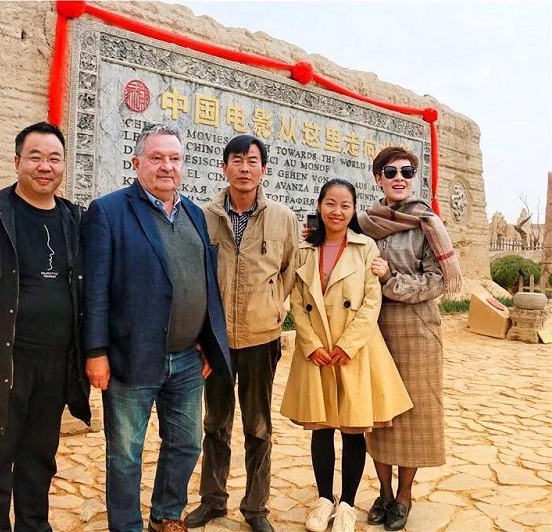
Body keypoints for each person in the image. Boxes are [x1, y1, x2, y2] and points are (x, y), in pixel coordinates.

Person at [81, 123, 232, 532]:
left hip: (186, 360)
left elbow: (205, 283)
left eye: (174, 158)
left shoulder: (195, 214)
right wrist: (96, 352)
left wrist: (207, 342)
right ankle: (126, 526)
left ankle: (166, 514)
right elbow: (95, 289)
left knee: (186, 443)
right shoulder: (108, 212)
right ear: (136, 163)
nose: (167, 166)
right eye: (157, 158)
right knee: (125, 453)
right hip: (131, 357)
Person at [0, 122, 91, 531]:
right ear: (17, 162)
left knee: (39, 459)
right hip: (3, 363)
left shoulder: (74, 219)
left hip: (56, 365)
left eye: (54, 158)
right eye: (35, 157)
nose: (45, 166)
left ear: (63, 165)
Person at [280, 179, 413, 532]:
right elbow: (297, 300)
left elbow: (371, 300)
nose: (337, 211)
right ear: (319, 205)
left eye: (345, 205)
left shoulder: (365, 247)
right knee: (321, 428)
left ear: (353, 210)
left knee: (353, 429)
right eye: (330, 203)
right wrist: (311, 344)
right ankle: (324, 499)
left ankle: (347, 505)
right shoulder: (304, 249)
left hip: (353, 351)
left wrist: (347, 345)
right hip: (317, 351)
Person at [185, 135, 298, 532]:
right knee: (215, 424)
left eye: (252, 160)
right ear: (224, 167)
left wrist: (273, 306)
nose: (244, 168)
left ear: (263, 169)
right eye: (237, 160)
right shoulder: (204, 216)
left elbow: (290, 270)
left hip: (261, 339)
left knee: (258, 426)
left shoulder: (282, 218)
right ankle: (213, 500)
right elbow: (196, 274)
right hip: (215, 340)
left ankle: (255, 508)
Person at [361, 147, 461, 531]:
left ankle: (404, 495)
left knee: (414, 415)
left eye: (406, 171)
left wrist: (390, 279)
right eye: (390, 172)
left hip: (418, 330)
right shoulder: (366, 222)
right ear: (378, 178)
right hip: (375, 328)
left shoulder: (426, 224)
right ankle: (384, 492)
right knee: (378, 414)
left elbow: (437, 281)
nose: (399, 177)